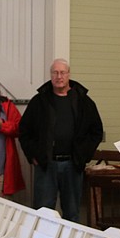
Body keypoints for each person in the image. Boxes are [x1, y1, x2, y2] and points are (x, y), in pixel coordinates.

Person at [19, 59, 103, 223]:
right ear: (50, 75)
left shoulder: (84, 102)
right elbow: (24, 131)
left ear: (68, 74)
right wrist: (33, 155)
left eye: (62, 72)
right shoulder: (39, 101)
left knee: (72, 213)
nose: (59, 76)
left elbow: (96, 131)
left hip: (73, 166)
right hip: (45, 165)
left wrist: (84, 155)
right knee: (43, 213)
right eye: (55, 73)